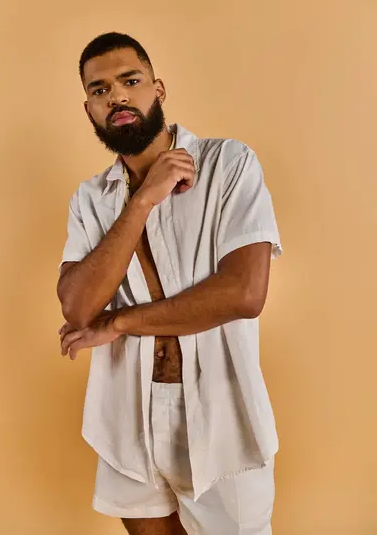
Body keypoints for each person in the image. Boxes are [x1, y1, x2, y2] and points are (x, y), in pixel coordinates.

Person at [57, 32, 283, 535]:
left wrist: (117, 323)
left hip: (222, 414)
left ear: (158, 89)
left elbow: (245, 294)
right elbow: (76, 308)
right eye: (99, 91)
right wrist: (142, 200)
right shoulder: (92, 199)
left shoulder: (228, 164)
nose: (116, 97)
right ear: (89, 108)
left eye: (129, 81)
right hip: (126, 416)